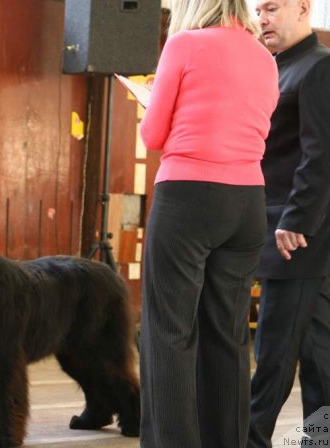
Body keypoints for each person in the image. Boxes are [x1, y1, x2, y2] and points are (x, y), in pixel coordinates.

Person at [137, 0, 280, 446]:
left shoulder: (183, 45)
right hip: (248, 202)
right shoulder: (265, 57)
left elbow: (153, 135)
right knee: (228, 334)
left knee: (169, 333)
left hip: (188, 197)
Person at [249, 1, 330, 446]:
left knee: (275, 353)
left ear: (303, 9)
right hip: (285, 227)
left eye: (271, 8)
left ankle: (249, 439)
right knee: (319, 356)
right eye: (258, 10)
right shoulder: (278, 69)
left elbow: (320, 154)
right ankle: (321, 440)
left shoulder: (318, 68)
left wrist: (296, 220)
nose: (262, 18)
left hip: (295, 232)